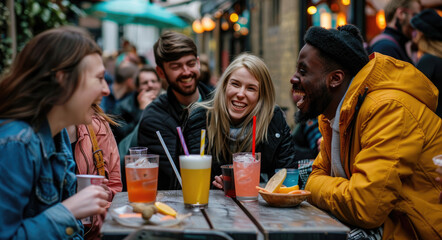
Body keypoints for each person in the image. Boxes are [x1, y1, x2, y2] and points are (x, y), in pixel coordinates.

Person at [291, 25, 442, 239]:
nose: (293, 78)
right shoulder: (335, 115)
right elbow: (319, 175)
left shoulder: (388, 109)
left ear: (335, 79)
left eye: (303, 71)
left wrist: (311, 185)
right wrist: (326, 184)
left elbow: (366, 206)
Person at [0, 26, 110, 239]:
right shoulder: (15, 144)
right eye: (99, 78)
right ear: (62, 79)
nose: (106, 89)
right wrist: (69, 211)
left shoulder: (55, 135)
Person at [185, 53, 298, 188]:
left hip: (260, 206)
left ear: (261, 95)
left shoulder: (273, 121)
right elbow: (192, 179)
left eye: (251, 88)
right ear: (225, 85)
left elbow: (288, 179)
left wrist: (253, 184)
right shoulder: (200, 119)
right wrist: (218, 185)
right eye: (235, 84)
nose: (240, 94)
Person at [138, 31, 213, 190]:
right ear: (160, 72)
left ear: (198, 62)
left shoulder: (220, 104)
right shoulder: (154, 119)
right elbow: (174, 178)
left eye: (191, 64)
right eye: (176, 67)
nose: (186, 72)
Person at [66, 105, 122, 240]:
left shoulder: (97, 126)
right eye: (99, 82)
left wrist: (100, 197)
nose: (105, 90)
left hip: (93, 233)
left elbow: (115, 187)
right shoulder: (34, 137)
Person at [113, 65, 163, 143]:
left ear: (160, 84)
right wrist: (142, 111)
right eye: (145, 83)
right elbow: (124, 137)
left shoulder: (166, 102)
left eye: (153, 81)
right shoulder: (122, 108)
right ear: (137, 87)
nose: (150, 85)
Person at [411, 8, 442, 117]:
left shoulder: (427, 61)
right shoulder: (436, 58)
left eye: (415, 29)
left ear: (421, 33)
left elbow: (415, 100)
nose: (412, 33)